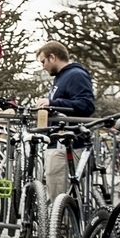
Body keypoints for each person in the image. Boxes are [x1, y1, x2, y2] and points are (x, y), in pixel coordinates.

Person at [35, 40, 95, 201]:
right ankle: (61, 223)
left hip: (69, 143)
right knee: (57, 194)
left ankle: (61, 225)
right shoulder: (62, 77)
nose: (43, 66)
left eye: (43, 61)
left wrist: (53, 103)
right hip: (59, 142)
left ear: (52, 57)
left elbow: (87, 105)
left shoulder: (76, 75)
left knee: (60, 198)